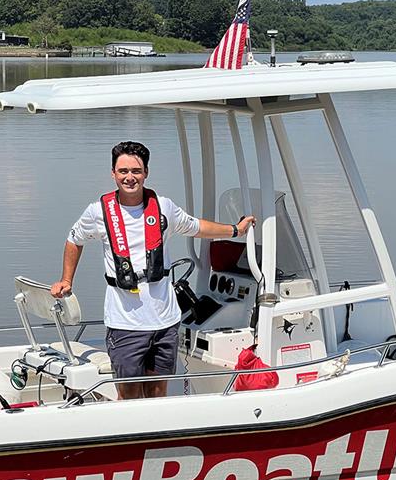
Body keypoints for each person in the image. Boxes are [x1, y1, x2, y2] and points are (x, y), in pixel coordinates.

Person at [51, 141, 255, 399]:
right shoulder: (98, 212)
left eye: (136, 171)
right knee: (129, 395)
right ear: (113, 173)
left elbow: (196, 226)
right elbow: (74, 239)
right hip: (125, 323)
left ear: (146, 173)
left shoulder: (164, 207)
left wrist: (235, 230)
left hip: (165, 321)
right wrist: (66, 279)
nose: (129, 177)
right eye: (123, 171)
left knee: (158, 392)